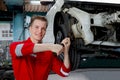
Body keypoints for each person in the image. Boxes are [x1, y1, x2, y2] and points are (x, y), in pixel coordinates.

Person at [10, 15, 71, 80]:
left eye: (43, 29)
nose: (40, 31)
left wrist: (66, 51)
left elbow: (65, 73)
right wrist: (50, 46)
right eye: (36, 27)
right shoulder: (15, 46)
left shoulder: (48, 54)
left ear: (45, 32)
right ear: (30, 28)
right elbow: (20, 49)